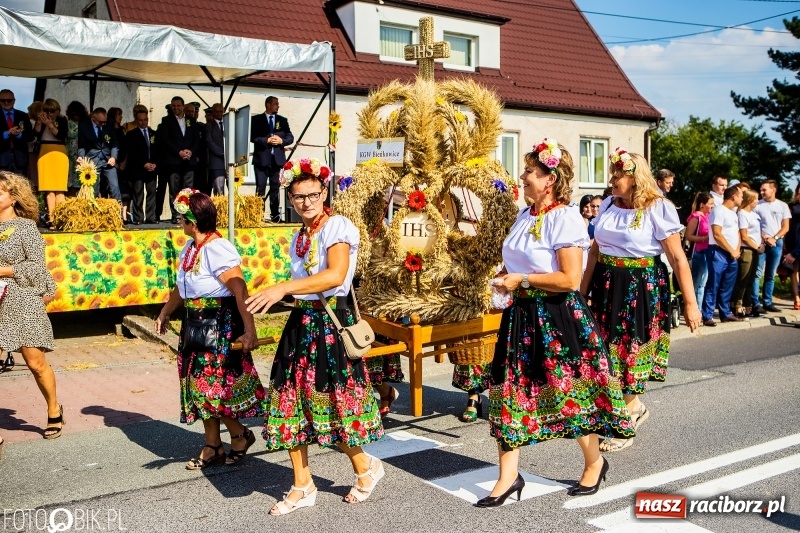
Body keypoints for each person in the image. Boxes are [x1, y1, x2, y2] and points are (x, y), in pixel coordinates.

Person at [479, 139, 633, 508]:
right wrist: (504, 278)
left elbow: (569, 278)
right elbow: (516, 264)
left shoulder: (564, 218)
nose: (523, 177)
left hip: (557, 316)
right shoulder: (523, 216)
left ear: (549, 179)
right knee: (510, 391)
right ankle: (508, 477)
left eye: (530, 171)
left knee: (571, 395)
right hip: (521, 317)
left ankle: (595, 462)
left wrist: (524, 280)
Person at [245, 158, 384, 514]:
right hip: (302, 323)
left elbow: (336, 277)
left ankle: (365, 467)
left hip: (331, 323)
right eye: (297, 197)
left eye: (312, 194)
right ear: (290, 198)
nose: (306, 202)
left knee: (332, 402)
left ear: (324, 192)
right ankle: (302, 484)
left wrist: (283, 287)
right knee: (290, 401)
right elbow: (305, 287)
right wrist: (279, 295)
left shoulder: (336, 225)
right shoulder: (300, 235)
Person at [581, 147, 701, 453]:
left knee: (626, 350)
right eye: (612, 174)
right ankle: (630, 407)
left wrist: (690, 302)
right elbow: (595, 250)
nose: (612, 180)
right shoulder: (608, 204)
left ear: (635, 178)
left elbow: (677, 258)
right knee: (602, 348)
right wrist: (581, 293)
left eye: (618, 175)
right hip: (606, 284)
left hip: (640, 288)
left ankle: (629, 414)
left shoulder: (658, 208)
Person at [155, 189, 266, 469]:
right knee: (196, 388)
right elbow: (182, 288)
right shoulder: (191, 249)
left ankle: (239, 434)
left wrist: (249, 330)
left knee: (212, 390)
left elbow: (240, 290)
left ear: (192, 221)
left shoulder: (217, 248)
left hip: (220, 325)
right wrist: (165, 312)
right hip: (195, 326)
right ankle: (213, 445)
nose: (179, 222)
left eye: (181, 218)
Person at [0, 171, 62, 439]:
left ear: (13, 198)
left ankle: (53, 409)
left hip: (22, 297)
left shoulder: (25, 228)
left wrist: (3, 271)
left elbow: (38, 268)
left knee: (35, 363)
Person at [701, 186, 744, 327]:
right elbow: (717, 233)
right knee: (713, 284)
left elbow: (737, 233)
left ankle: (725, 313)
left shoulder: (733, 213)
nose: (742, 198)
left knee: (727, 285)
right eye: (741, 196)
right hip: (718, 252)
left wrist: (736, 249)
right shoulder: (719, 211)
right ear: (733, 196)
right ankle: (707, 315)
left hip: (732, 254)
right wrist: (731, 250)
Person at [158, 96, 200, 224]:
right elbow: (166, 140)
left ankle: (187, 214)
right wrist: (179, 152)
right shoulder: (166, 121)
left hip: (189, 160)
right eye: (173, 106)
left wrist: (191, 151)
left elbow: (196, 139)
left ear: (183, 106)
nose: (176, 108)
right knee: (174, 189)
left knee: (188, 190)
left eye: (178, 106)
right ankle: (176, 214)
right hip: (173, 160)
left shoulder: (191, 121)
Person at [251, 96, 293, 222]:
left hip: (277, 160)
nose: (278, 106)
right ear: (268, 105)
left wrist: (282, 141)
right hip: (262, 160)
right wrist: (266, 140)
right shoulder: (256, 119)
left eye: (278, 104)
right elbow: (252, 136)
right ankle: (258, 216)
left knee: (275, 188)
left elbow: (290, 137)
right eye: (275, 104)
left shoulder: (282, 120)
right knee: (261, 188)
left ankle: (275, 216)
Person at [752, 180, 790, 314]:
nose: (761, 192)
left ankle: (767, 302)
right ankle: (755, 303)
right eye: (761, 190)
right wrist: (765, 237)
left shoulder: (782, 206)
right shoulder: (757, 205)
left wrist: (775, 238)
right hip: (761, 242)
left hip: (776, 243)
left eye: (764, 190)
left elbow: (785, 227)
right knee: (757, 273)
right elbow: (754, 224)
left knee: (770, 274)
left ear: (773, 190)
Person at [34, 99, 69, 230]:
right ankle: (52, 219)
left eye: (52, 110)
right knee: (49, 189)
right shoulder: (42, 120)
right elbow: (35, 134)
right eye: (46, 110)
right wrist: (39, 122)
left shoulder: (62, 120)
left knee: (60, 189)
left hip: (59, 152)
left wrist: (50, 124)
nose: (49, 113)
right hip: (45, 152)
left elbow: (61, 135)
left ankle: (62, 218)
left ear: (58, 110)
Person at [77, 107, 121, 205]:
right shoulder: (84, 126)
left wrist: (113, 157)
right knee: (94, 190)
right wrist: (81, 157)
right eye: (100, 122)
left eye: (104, 122)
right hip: (92, 161)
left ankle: (118, 213)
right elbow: (81, 145)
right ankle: (93, 213)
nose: (103, 124)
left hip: (108, 160)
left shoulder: (109, 124)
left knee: (115, 188)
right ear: (93, 117)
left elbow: (114, 142)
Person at [732, 189, 764, 318]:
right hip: (748, 249)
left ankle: (748, 304)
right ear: (750, 200)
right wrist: (756, 246)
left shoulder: (754, 214)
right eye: (756, 199)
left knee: (751, 279)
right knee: (742, 279)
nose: (757, 201)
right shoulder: (742, 214)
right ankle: (738, 306)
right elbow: (744, 236)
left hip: (756, 249)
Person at [125, 110, 159, 224]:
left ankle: (151, 217)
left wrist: (155, 163)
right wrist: (143, 163)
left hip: (152, 169)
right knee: (138, 194)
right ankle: (138, 218)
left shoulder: (153, 133)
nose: (143, 122)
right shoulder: (131, 134)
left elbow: (158, 151)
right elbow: (132, 152)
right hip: (138, 169)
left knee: (151, 193)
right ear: (136, 120)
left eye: (145, 120)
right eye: (140, 120)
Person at [684, 192, 714, 307]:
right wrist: (704, 238)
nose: (712, 206)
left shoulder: (708, 217)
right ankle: (697, 308)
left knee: (703, 283)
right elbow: (688, 235)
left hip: (707, 252)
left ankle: (699, 308)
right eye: (710, 204)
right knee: (698, 283)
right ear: (702, 204)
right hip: (699, 253)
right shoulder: (696, 217)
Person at [0, 89, 33, 176]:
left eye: (9, 100)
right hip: (1, 157)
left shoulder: (23, 115)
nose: (6, 102)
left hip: (20, 158)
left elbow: (30, 136)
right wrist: (7, 133)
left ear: (14, 101)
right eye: (3, 100)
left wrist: (19, 134)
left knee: (20, 187)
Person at [65, 101, 88, 194]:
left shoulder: (85, 123)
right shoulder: (68, 123)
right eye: (74, 113)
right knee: (70, 176)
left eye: (77, 114)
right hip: (70, 153)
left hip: (81, 152)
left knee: (80, 176)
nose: (75, 116)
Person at [205, 103, 226, 195]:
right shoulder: (209, 126)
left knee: (234, 190)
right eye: (216, 112)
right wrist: (223, 153)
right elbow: (209, 142)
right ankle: (219, 209)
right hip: (217, 162)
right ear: (212, 113)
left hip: (231, 162)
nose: (219, 114)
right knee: (219, 190)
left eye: (221, 112)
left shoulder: (229, 124)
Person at [786, 183, 800, 310]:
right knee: (793, 271)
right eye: (798, 192)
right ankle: (796, 298)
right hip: (792, 240)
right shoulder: (792, 206)